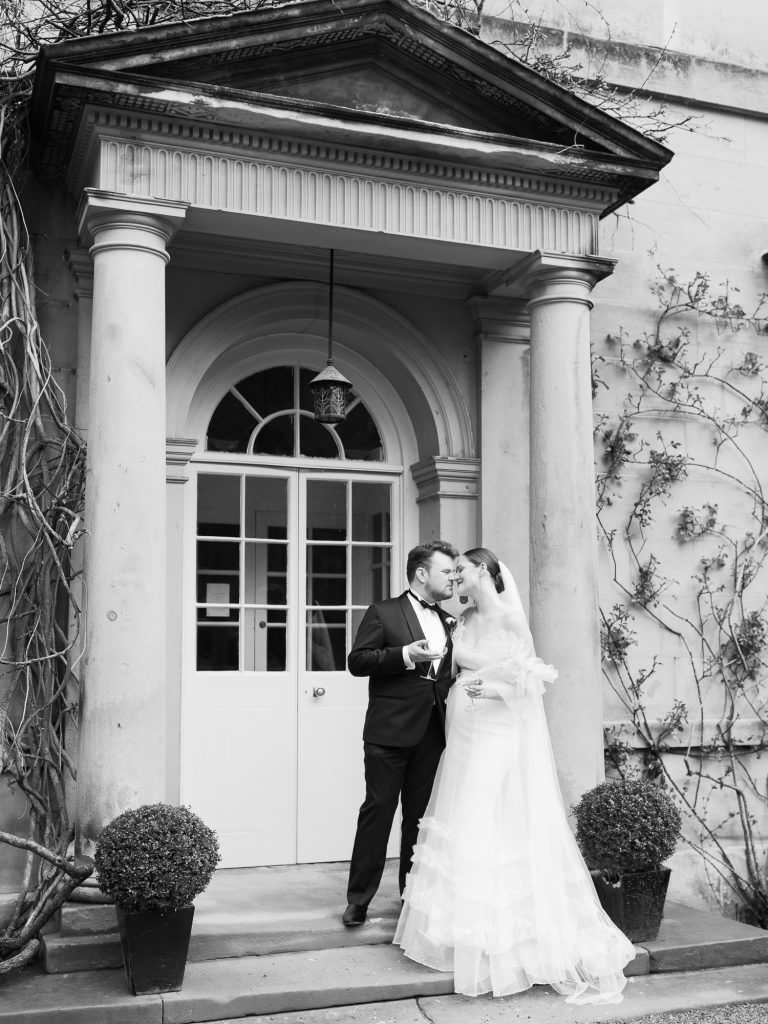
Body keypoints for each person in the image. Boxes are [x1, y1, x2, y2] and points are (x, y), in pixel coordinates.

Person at [393, 547, 635, 1005]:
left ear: (481, 570)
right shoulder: (461, 621)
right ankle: (457, 927)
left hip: (497, 730)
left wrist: (497, 687)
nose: (455, 578)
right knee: (461, 812)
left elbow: (533, 681)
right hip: (462, 728)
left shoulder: (511, 621)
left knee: (481, 812)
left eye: (460, 570)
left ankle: (493, 936)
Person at [342, 540, 459, 927]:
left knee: (420, 819)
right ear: (422, 573)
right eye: (447, 571)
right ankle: (359, 899)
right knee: (377, 813)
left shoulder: (450, 621)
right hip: (389, 733)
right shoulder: (383, 612)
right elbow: (357, 662)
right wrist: (406, 654)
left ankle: (412, 895)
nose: (454, 578)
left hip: (433, 733)